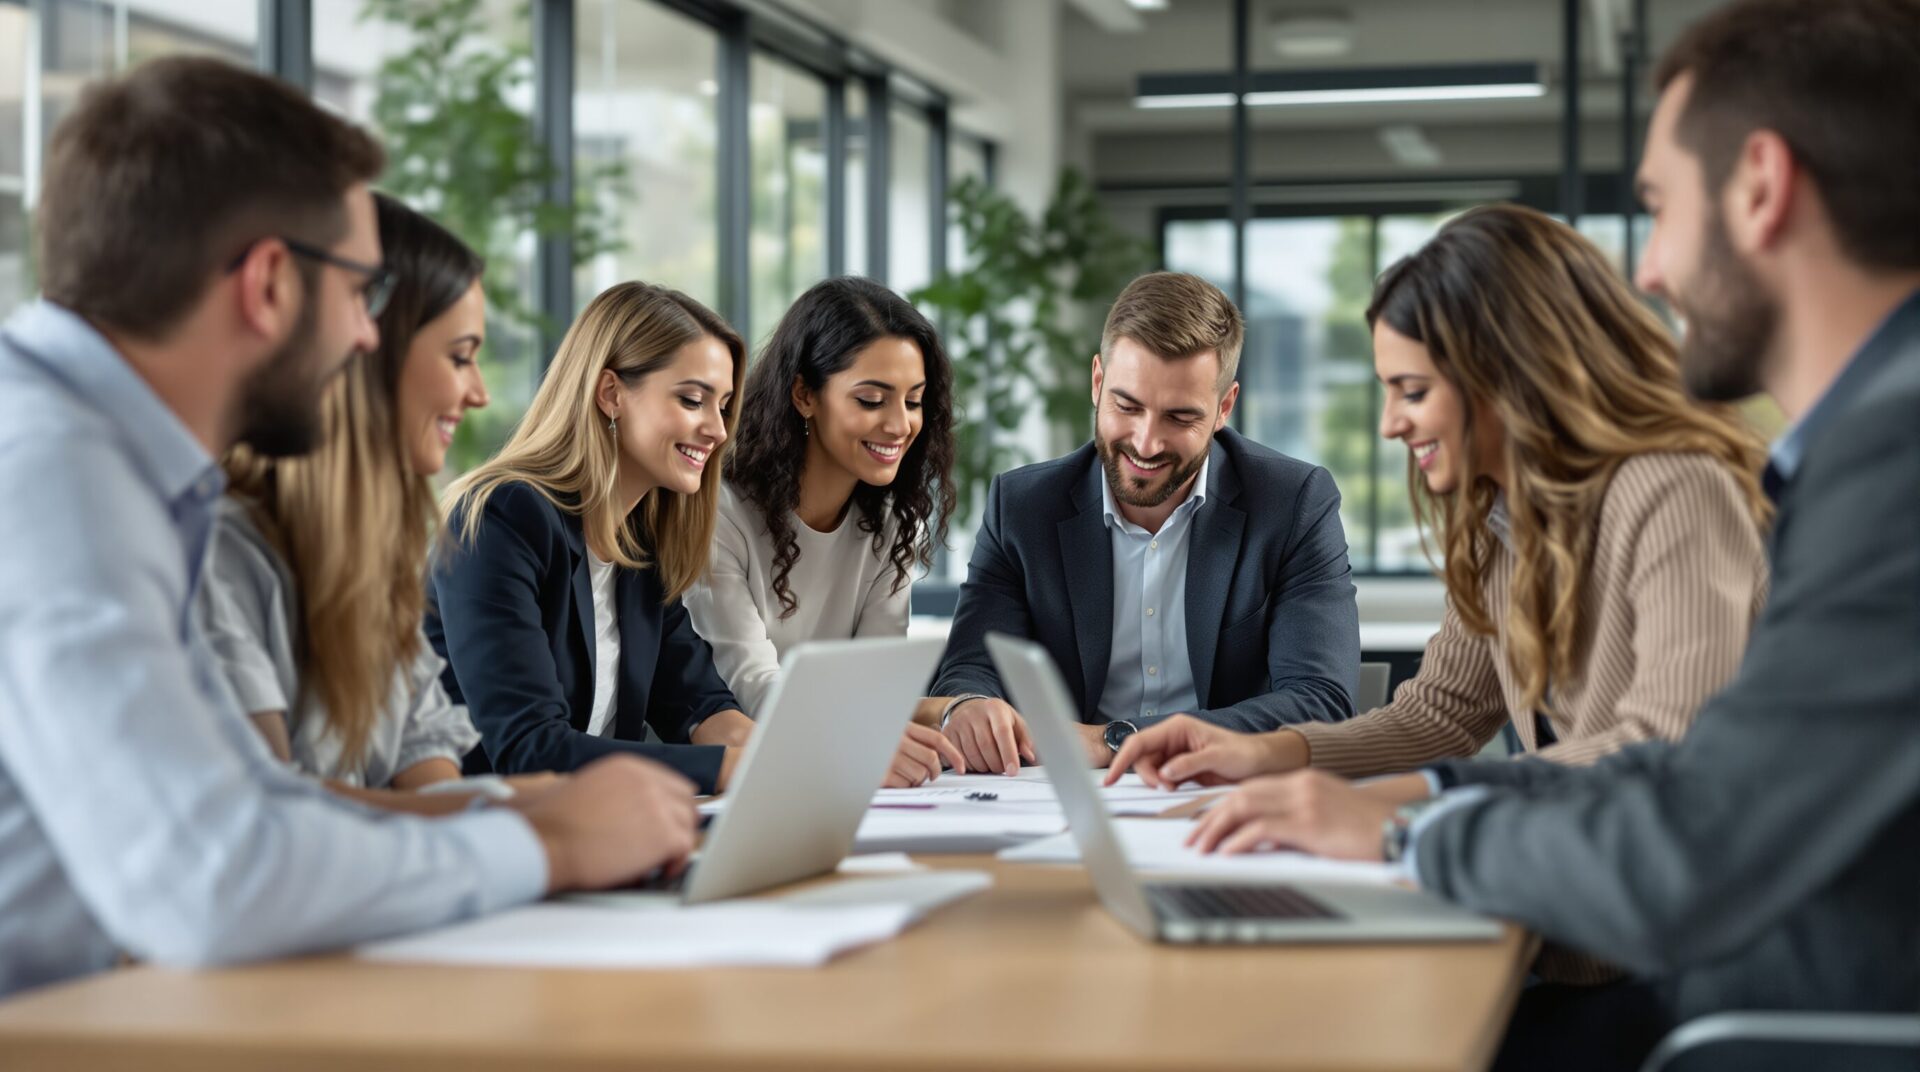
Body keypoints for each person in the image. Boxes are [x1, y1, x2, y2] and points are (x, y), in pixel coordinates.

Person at [1150, 1, 1920, 1067]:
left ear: (1761, 185)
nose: (1649, 269)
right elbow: (1450, 713)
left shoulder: (1780, 474)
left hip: (1678, 989)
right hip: (1622, 945)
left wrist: (1411, 820)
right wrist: (1282, 758)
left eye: (1658, 206)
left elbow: (1679, 769)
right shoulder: (1509, 515)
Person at [0, 58, 697, 998]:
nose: (368, 337)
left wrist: (511, 817)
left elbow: (254, 800)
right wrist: (546, 843)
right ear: (271, 284)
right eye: (358, 291)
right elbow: (215, 877)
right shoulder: (49, 475)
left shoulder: (122, 468)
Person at [1111, 205, 1771, 801]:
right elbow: (1444, 715)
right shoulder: (1499, 521)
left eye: (1414, 391)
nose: (1390, 424)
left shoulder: (1677, 490)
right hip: (1580, 893)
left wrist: (1397, 805)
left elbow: (1664, 750)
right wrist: (1263, 752)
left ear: (1510, 376)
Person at [929, 271, 1361, 777]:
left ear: (1225, 407)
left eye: (1179, 418)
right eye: (1126, 406)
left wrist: (1121, 739)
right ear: (1097, 382)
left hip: (1217, 793)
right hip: (1057, 796)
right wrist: (971, 706)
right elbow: (968, 669)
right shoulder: (1022, 507)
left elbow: (1321, 703)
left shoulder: (1292, 505)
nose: (1146, 442)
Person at [197, 193, 545, 813]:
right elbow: (267, 807)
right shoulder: (218, 553)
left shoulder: (370, 552)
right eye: (460, 356)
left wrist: (530, 814)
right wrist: (541, 819)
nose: (480, 393)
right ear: (368, 354)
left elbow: (421, 749)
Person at [430, 281, 754, 796]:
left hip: (589, 833)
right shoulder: (502, 517)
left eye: (724, 406)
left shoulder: (642, 544)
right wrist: (730, 770)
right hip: (481, 838)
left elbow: (701, 704)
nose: (718, 430)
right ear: (611, 394)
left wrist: (788, 758)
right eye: (693, 400)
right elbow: (529, 749)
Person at [684, 276, 967, 787]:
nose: (900, 424)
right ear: (804, 395)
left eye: (914, 400)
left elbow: (874, 686)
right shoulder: (719, 508)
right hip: (727, 779)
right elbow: (751, 684)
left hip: (827, 773)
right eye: (871, 400)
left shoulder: (893, 523)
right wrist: (859, 738)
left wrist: (954, 711)